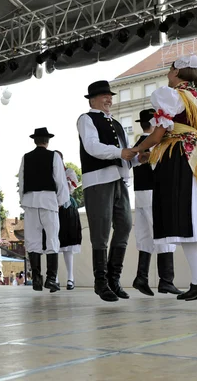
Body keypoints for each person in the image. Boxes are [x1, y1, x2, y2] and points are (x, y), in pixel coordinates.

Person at [131, 55, 197, 301]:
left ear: (177, 72)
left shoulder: (171, 95)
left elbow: (157, 135)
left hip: (182, 157)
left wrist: (135, 150)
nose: (168, 73)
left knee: (184, 216)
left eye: (170, 69)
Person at [77, 80, 137, 302]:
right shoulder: (86, 119)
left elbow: (126, 154)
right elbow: (92, 147)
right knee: (101, 231)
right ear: (92, 99)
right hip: (98, 180)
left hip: (119, 179)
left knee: (125, 225)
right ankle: (100, 281)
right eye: (104, 96)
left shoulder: (118, 124)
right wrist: (121, 152)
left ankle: (114, 279)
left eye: (110, 96)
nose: (109, 99)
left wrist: (139, 158)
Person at [131, 109, 182, 296]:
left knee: (145, 235)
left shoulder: (137, 144)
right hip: (155, 193)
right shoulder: (155, 144)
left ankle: (141, 277)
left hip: (140, 193)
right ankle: (166, 280)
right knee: (164, 234)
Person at [19, 127, 70, 293]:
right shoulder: (54, 156)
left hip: (30, 201)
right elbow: (60, 181)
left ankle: (36, 278)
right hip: (48, 201)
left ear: (35, 140)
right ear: (47, 141)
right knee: (52, 240)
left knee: (33, 241)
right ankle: (50, 278)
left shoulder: (26, 157)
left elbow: (22, 180)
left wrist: (23, 200)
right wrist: (62, 201)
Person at [53, 151, 82, 291]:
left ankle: (70, 278)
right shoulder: (49, 173)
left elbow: (71, 187)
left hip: (67, 208)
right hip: (53, 209)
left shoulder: (68, 172)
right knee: (54, 244)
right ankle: (55, 278)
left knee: (68, 245)